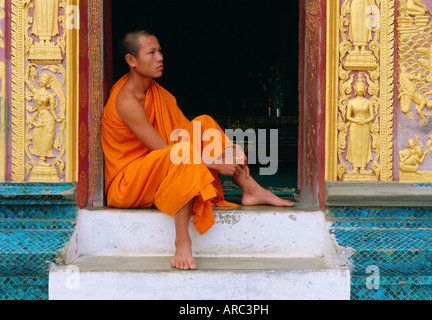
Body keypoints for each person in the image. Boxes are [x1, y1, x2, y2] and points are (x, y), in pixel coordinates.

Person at [101, 30, 294, 271]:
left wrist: (229, 149)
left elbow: (182, 132)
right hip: (129, 183)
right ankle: (182, 242)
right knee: (183, 157)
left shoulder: (155, 92)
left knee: (203, 123)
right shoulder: (127, 101)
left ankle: (251, 189)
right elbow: (167, 151)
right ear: (131, 60)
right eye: (151, 53)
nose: (160, 57)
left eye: (160, 50)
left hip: (157, 164)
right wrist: (215, 163)